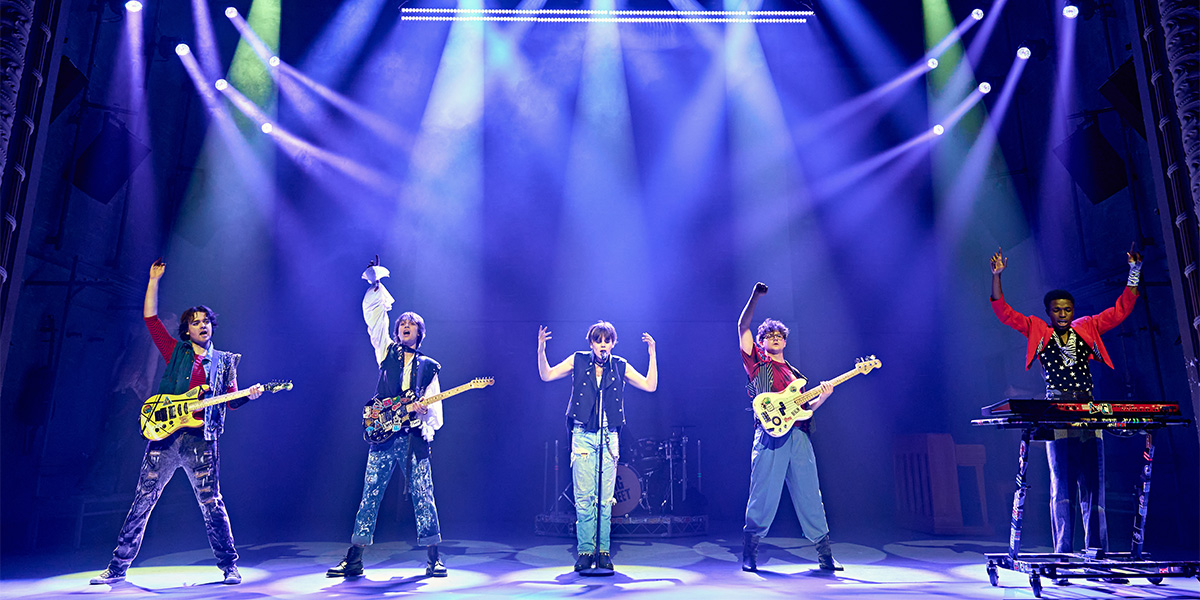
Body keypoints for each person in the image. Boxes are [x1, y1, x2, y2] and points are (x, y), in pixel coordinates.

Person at [90, 259, 263, 585]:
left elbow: (232, 399)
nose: (202, 326)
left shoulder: (226, 362)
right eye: (195, 322)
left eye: (206, 321)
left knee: (212, 502)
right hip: (166, 438)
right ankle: (117, 568)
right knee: (143, 499)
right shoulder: (175, 352)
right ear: (186, 329)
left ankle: (229, 567)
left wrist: (248, 395)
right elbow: (152, 321)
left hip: (201, 441)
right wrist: (153, 279)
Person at [990, 247, 1141, 581]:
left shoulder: (1087, 327)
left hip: (1087, 409)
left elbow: (1120, 310)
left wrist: (1135, 271)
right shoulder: (1037, 330)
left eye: (1067, 309)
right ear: (1048, 311)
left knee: (1095, 487)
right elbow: (1004, 313)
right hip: (1057, 410)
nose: (1063, 313)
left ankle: (1097, 558)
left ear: (1073, 311)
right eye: (1057, 309)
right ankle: (1063, 559)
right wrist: (997, 276)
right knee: (1062, 488)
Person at [327, 257, 447, 578]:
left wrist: (425, 414)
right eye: (401, 322)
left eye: (411, 323)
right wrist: (377, 285)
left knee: (423, 494)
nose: (404, 324)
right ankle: (354, 558)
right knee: (370, 493)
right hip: (384, 434)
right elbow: (375, 320)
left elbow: (436, 413)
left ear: (420, 332)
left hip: (413, 437)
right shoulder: (386, 352)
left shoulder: (429, 366)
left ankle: (434, 557)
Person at [537, 321, 657, 572]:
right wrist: (541, 349)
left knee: (604, 500)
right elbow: (546, 375)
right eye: (598, 340)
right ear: (591, 342)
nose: (602, 345)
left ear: (613, 343)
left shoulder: (619, 365)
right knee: (584, 499)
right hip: (582, 434)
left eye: (607, 340)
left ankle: (603, 552)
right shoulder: (578, 361)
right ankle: (584, 552)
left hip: (609, 436)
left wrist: (652, 355)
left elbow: (649, 385)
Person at [738, 282, 840, 573]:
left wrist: (822, 396)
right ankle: (751, 551)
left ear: (785, 340)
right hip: (769, 435)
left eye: (779, 335)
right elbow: (742, 326)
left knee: (810, 493)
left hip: (798, 436)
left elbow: (805, 412)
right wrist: (755, 297)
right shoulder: (757, 362)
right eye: (769, 334)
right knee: (763, 493)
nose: (775, 337)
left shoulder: (795, 374)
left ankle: (824, 554)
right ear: (762, 341)